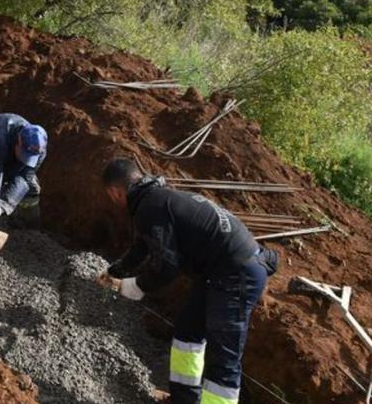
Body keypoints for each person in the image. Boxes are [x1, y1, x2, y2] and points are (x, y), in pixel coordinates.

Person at [101, 158, 278, 404]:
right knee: (188, 330)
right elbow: (143, 247)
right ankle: (184, 399)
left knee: (223, 355)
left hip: (237, 274)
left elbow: (167, 267)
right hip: (219, 271)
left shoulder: (150, 208)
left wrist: (135, 286)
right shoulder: (157, 199)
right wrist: (115, 271)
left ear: (115, 192)